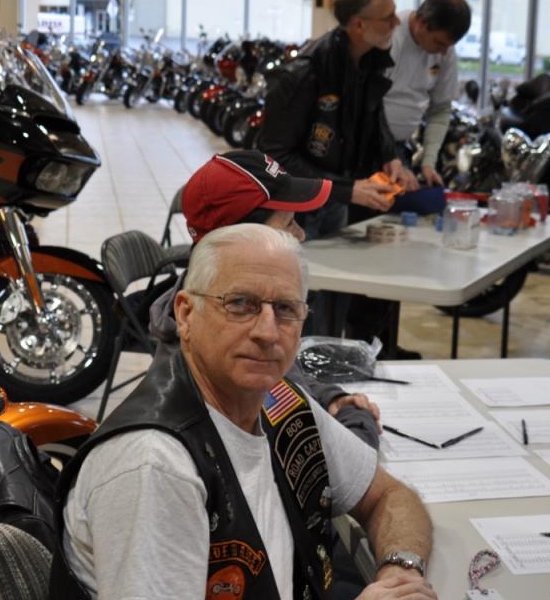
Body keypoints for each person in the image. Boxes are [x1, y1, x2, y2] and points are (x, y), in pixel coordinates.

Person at [46, 224, 444, 600]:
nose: (267, 332)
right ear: (185, 314)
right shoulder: (155, 465)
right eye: (240, 304)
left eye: (285, 309)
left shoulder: (280, 402)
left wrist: (400, 576)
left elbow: (389, 496)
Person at [148, 150, 383, 449]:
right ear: (242, 238)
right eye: (288, 223)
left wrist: (331, 399)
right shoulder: (232, 359)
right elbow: (326, 460)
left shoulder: (217, 309)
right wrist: (357, 419)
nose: (301, 235)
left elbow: (286, 384)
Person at [258, 0, 416, 240]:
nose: (397, 23)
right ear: (358, 25)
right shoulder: (305, 74)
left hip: (336, 199)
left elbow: (374, 113)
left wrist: (390, 156)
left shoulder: (369, 62)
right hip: (297, 209)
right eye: (388, 17)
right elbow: (275, 156)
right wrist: (345, 189)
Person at [384, 0, 471, 188]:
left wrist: (429, 163)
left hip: (399, 147)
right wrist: (388, 156)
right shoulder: (390, 38)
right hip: (366, 146)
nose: (443, 52)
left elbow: (440, 110)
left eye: (449, 46)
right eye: (439, 43)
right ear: (421, 23)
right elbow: (368, 106)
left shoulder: (445, 50)